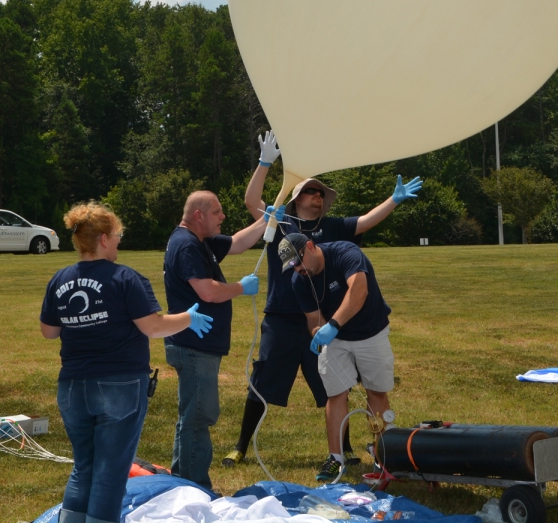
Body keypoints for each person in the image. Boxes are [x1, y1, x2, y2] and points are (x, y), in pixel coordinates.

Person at [222, 130, 420, 470]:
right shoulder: (281, 221)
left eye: (320, 192)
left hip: (325, 321)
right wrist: (265, 163)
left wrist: (394, 200)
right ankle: (241, 446)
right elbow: (250, 201)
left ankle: (344, 451)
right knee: (263, 380)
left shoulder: (335, 227)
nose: (317, 196)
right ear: (298, 198)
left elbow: (367, 221)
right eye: (310, 191)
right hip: (282, 317)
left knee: (335, 386)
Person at [40, 202, 214, 523]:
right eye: (118, 234)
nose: (120, 240)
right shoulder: (126, 277)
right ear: (103, 239)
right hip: (119, 384)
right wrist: (189, 318)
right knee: (111, 472)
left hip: (72, 386)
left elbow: (49, 331)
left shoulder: (60, 279)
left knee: (84, 467)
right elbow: (153, 327)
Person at [163, 190, 266, 490]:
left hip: (197, 345)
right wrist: (239, 287)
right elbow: (207, 291)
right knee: (200, 416)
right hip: (194, 346)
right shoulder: (186, 246)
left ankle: (182, 482)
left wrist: (267, 220)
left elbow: (237, 242)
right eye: (217, 212)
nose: (223, 217)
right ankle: (195, 487)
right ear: (199, 215)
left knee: (191, 415)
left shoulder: (200, 241)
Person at [280, 231, 396, 484]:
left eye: (298, 261)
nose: (297, 269)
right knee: (336, 394)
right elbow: (313, 318)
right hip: (336, 338)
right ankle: (336, 458)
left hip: (370, 332)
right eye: (291, 266)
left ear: (310, 246)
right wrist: (318, 334)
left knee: (376, 392)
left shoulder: (345, 252)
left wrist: (333, 324)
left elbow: (359, 291)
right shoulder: (299, 281)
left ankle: (382, 455)